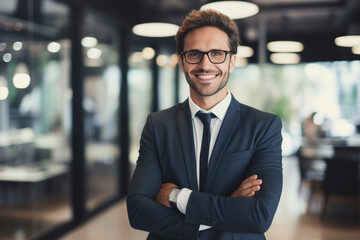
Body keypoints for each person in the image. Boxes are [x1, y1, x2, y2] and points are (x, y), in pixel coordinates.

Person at [127, 9, 283, 240]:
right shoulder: (158, 125)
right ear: (181, 62)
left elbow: (259, 215)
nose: (205, 64)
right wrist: (227, 210)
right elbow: (138, 211)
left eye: (217, 54)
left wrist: (177, 197)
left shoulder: (263, 126)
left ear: (232, 61)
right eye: (194, 54)